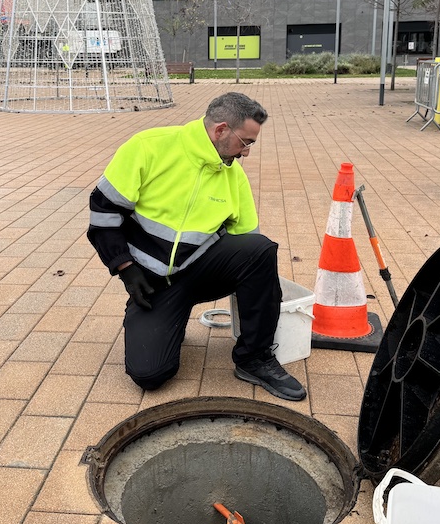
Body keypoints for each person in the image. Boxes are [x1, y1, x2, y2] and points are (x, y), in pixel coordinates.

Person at [87, 92, 306, 401]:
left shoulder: (233, 176)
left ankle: (254, 358)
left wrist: (259, 304)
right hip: (152, 283)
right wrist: (125, 267)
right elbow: (103, 212)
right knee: (149, 375)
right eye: (245, 142)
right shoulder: (148, 147)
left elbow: (249, 246)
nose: (246, 152)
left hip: (202, 272)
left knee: (259, 250)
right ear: (221, 130)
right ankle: (168, 320)